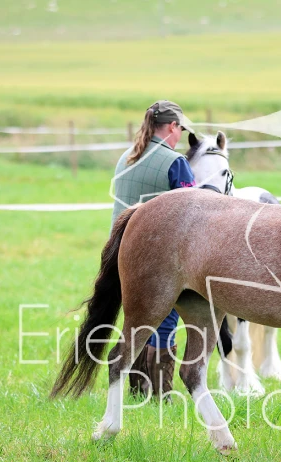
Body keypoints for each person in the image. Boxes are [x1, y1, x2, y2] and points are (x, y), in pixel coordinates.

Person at [111, 100, 197, 400]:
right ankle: (161, 393)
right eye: (180, 129)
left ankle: (138, 389)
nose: (181, 135)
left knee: (136, 320)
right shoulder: (175, 163)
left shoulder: (126, 158)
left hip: (121, 253)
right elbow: (194, 213)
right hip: (159, 256)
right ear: (172, 127)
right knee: (166, 321)